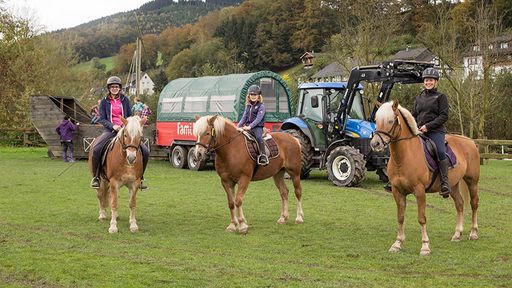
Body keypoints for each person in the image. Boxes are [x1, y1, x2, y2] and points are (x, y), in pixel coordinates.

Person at [90, 76, 149, 190]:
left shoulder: (125, 100)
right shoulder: (104, 102)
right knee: (96, 149)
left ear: (120, 88)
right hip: (110, 130)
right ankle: (96, 177)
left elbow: (129, 115)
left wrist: (128, 125)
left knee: (145, 151)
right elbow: (102, 119)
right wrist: (113, 126)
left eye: (116, 87)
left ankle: (140, 178)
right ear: (109, 88)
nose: (114, 88)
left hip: (125, 130)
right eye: (112, 87)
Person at [412, 67, 450, 197]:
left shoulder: (441, 97)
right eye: (427, 80)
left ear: (436, 82)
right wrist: (413, 126)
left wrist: (427, 126)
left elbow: (444, 116)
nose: (429, 82)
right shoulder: (419, 97)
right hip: (419, 132)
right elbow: (414, 114)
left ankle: (445, 182)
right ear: (424, 82)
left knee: (439, 151)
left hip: (435, 132)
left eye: (431, 80)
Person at [237, 84, 268, 165]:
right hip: (247, 127)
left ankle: (263, 155)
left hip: (257, 127)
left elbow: (258, 119)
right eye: (251, 94)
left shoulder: (261, 106)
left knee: (258, 137)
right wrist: (238, 127)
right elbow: (244, 117)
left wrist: (250, 126)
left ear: (258, 96)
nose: (253, 96)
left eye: (255, 95)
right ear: (249, 95)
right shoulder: (248, 105)